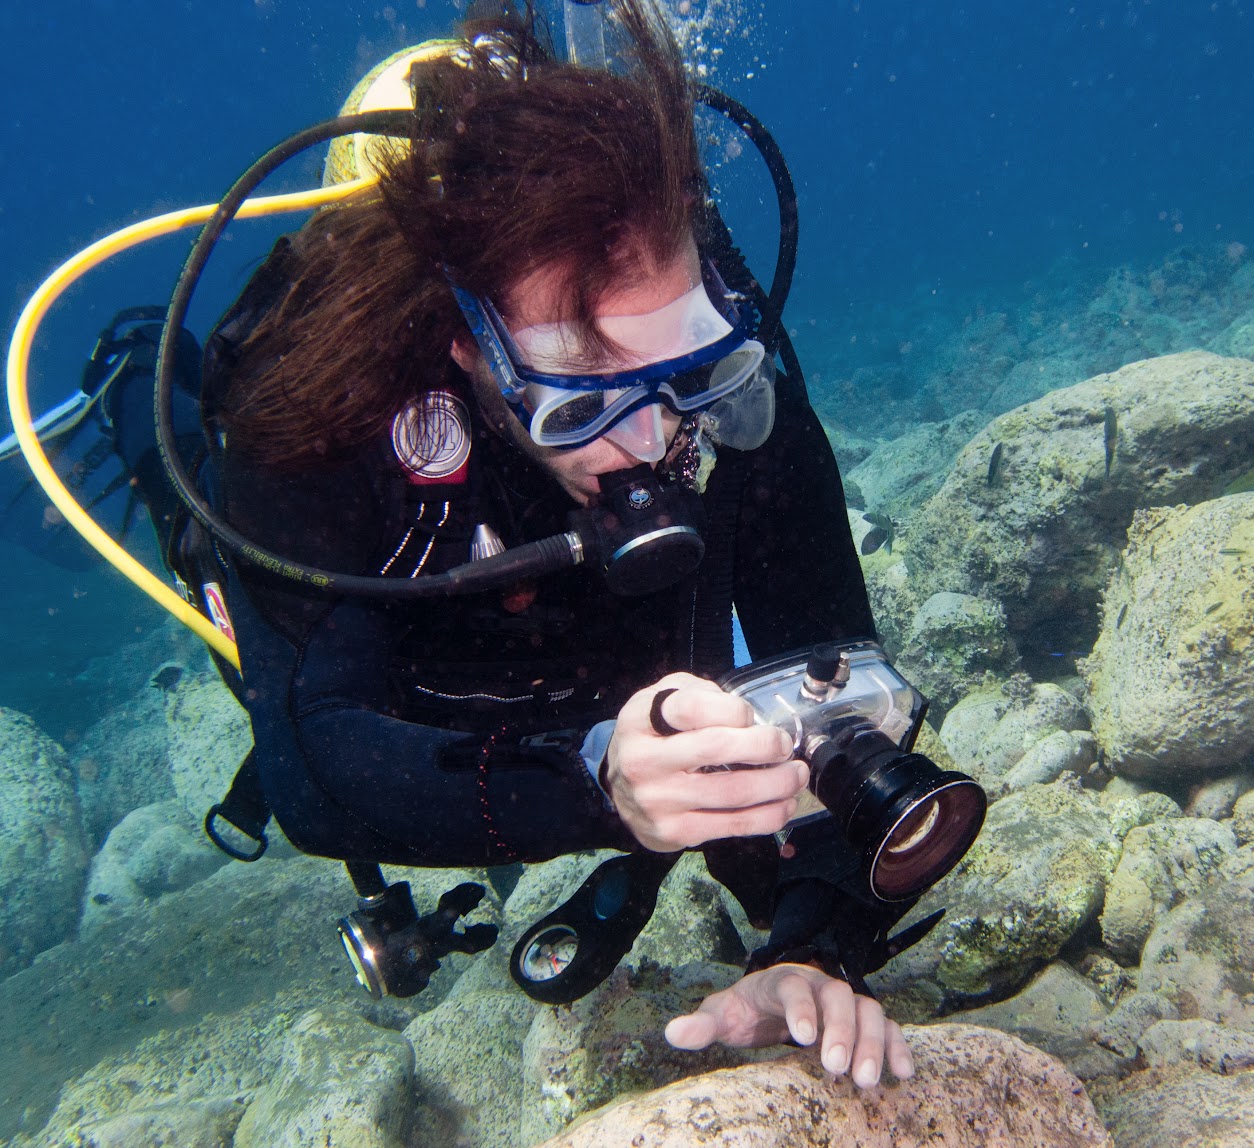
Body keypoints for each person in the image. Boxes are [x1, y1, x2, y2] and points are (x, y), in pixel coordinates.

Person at [211, 1, 916, 1088]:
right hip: (420, 674)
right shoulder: (316, 419)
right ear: (468, 344)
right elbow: (314, 769)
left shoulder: (724, 362)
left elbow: (828, 669)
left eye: (681, 376)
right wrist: (596, 783)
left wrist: (810, 943)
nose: (649, 441)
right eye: (580, 401)